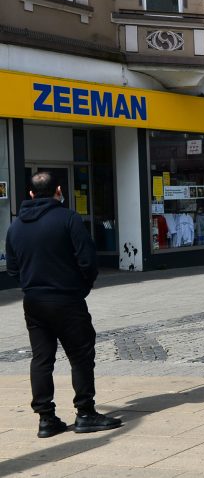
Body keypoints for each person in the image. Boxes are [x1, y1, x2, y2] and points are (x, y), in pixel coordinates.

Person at [5, 172, 122, 438]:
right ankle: (85, 413)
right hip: (67, 299)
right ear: (58, 190)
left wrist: (31, 284)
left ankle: (46, 419)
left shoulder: (16, 227)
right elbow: (88, 260)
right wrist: (82, 287)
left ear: (31, 194)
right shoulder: (68, 218)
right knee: (80, 356)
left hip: (34, 301)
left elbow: (13, 268)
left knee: (42, 358)